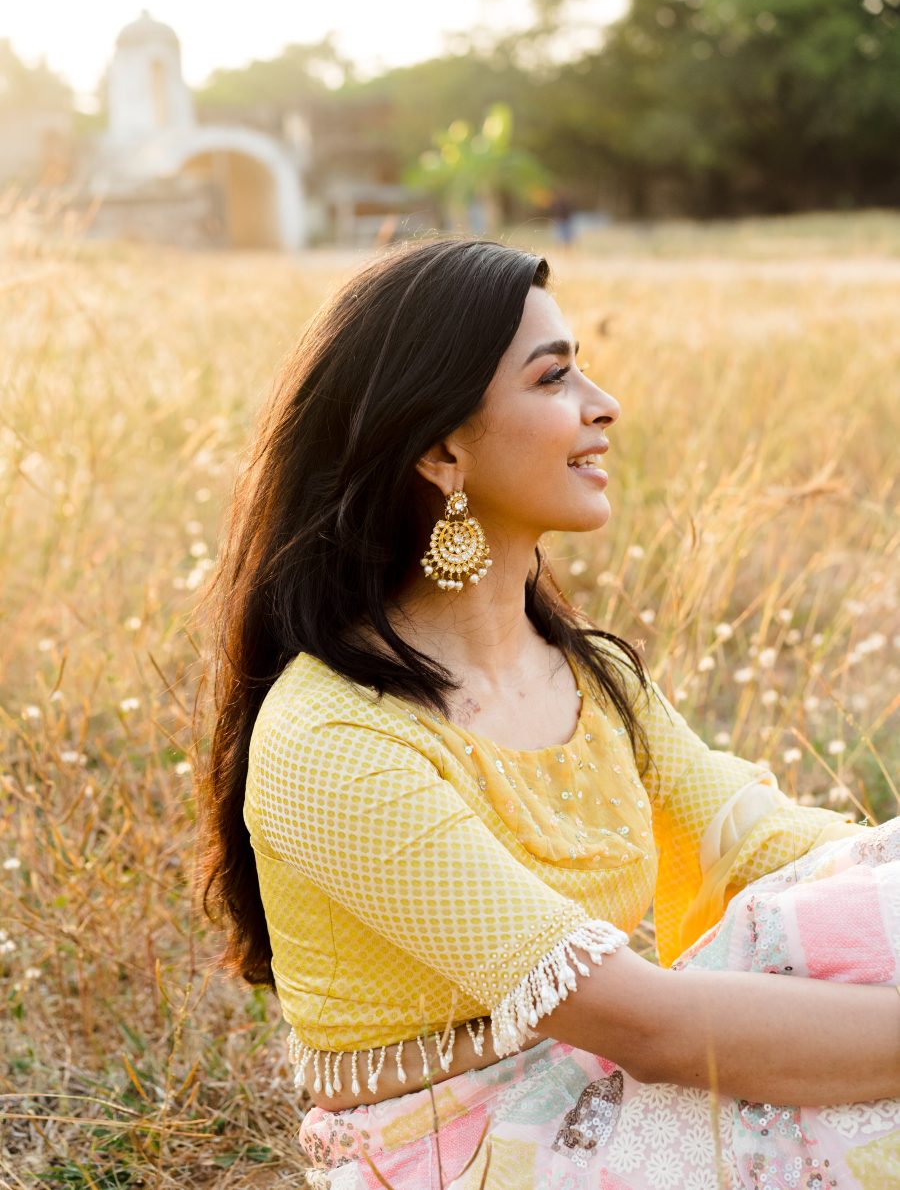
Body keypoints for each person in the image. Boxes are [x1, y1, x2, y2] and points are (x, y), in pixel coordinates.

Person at [196, 237, 900, 1189]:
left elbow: (782, 846)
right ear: (442, 450)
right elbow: (643, 1025)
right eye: (555, 377)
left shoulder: (591, 676)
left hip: (592, 1082)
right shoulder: (332, 736)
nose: (603, 404)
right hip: (461, 1144)